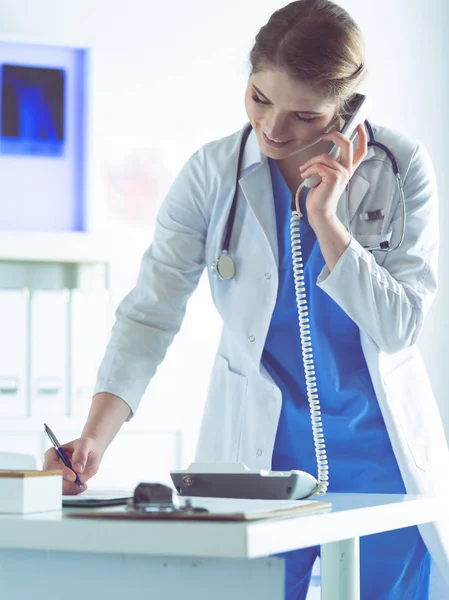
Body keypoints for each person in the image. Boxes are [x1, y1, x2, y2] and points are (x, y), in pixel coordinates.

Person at [43, 1, 449, 598]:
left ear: (347, 108)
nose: (275, 129)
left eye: (305, 115)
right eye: (260, 98)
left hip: (382, 464)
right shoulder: (211, 174)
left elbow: (399, 326)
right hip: (257, 462)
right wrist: (94, 437)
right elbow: (150, 312)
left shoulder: (401, 166)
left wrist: (328, 223)